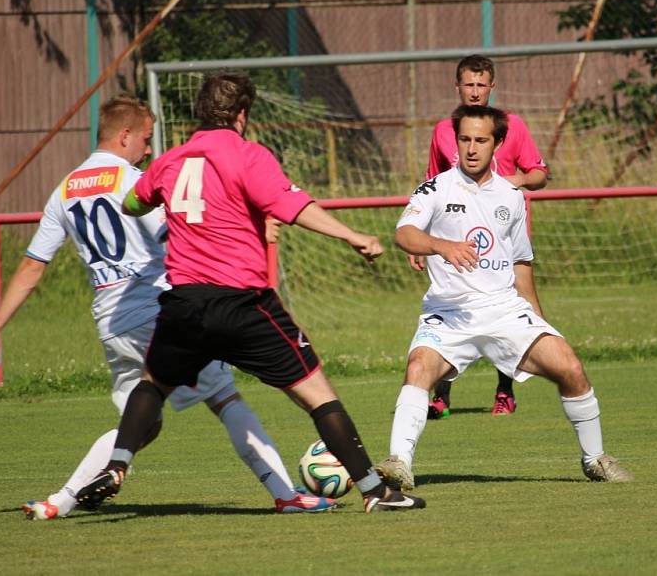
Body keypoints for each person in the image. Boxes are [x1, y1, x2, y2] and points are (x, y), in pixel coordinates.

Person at [0, 95, 338, 519]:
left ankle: (59, 502)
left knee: (141, 423)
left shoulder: (65, 189)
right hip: (154, 312)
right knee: (226, 397)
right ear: (124, 136)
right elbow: (182, 228)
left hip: (111, 323)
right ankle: (286, 494)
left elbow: (33, 266)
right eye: (144, 139)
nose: (148, 149)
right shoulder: (133, 181)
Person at [75, 72, 425, 513]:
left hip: (184, 305)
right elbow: (294, 207)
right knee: (317, 393)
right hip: (243, 304)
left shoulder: (171, 159)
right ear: (242, 115)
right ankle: (376, 491)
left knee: (153, 384)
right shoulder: (247, 155)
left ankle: (119, 463)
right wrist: (352, 235)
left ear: (200, 113)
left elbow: (133, 203)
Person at [376, 104, 632, 490]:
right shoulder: (435, 188)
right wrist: (440, 245)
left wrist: (539, 320)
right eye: (465, 139)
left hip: (503, 310)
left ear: (497, 143)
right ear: (456, 141)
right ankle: (399, 463)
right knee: (418, 369)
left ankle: (595, 459)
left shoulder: (512, 196)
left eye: (481, 140)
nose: (472, 148)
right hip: (449, 314)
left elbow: (520, 264)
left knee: (571, 368)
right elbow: (404, 234)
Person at [421, 54, 549, 419]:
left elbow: (539, 173)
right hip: (455, 243)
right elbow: (432, 185)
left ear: (491, 88)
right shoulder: (442, 131)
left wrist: (518, 180)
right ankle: (442, 395)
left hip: (503, 240)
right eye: (468, 84)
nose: (475, 92)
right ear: (457, 87)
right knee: (452, 308)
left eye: (481, 85)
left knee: (505, 311)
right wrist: (422, 239)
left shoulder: (512, 126)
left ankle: (505, 391)